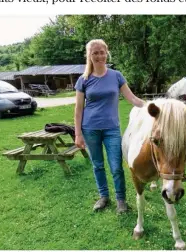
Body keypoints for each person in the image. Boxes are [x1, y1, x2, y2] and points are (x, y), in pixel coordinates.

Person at [74, 39, 145, 214]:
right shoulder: (83, 80)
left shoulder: (116, 76)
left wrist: (153, 107)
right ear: (89, 56)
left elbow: (132, 99)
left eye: (101, 52)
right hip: (90, 128)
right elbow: (78, 109)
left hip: (112, 129)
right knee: (97, 165)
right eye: (95, 53)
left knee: (116, 166)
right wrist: (78, 134)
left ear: (107, 53)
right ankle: (104, 196)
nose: (99, 56)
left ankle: (121, 200)